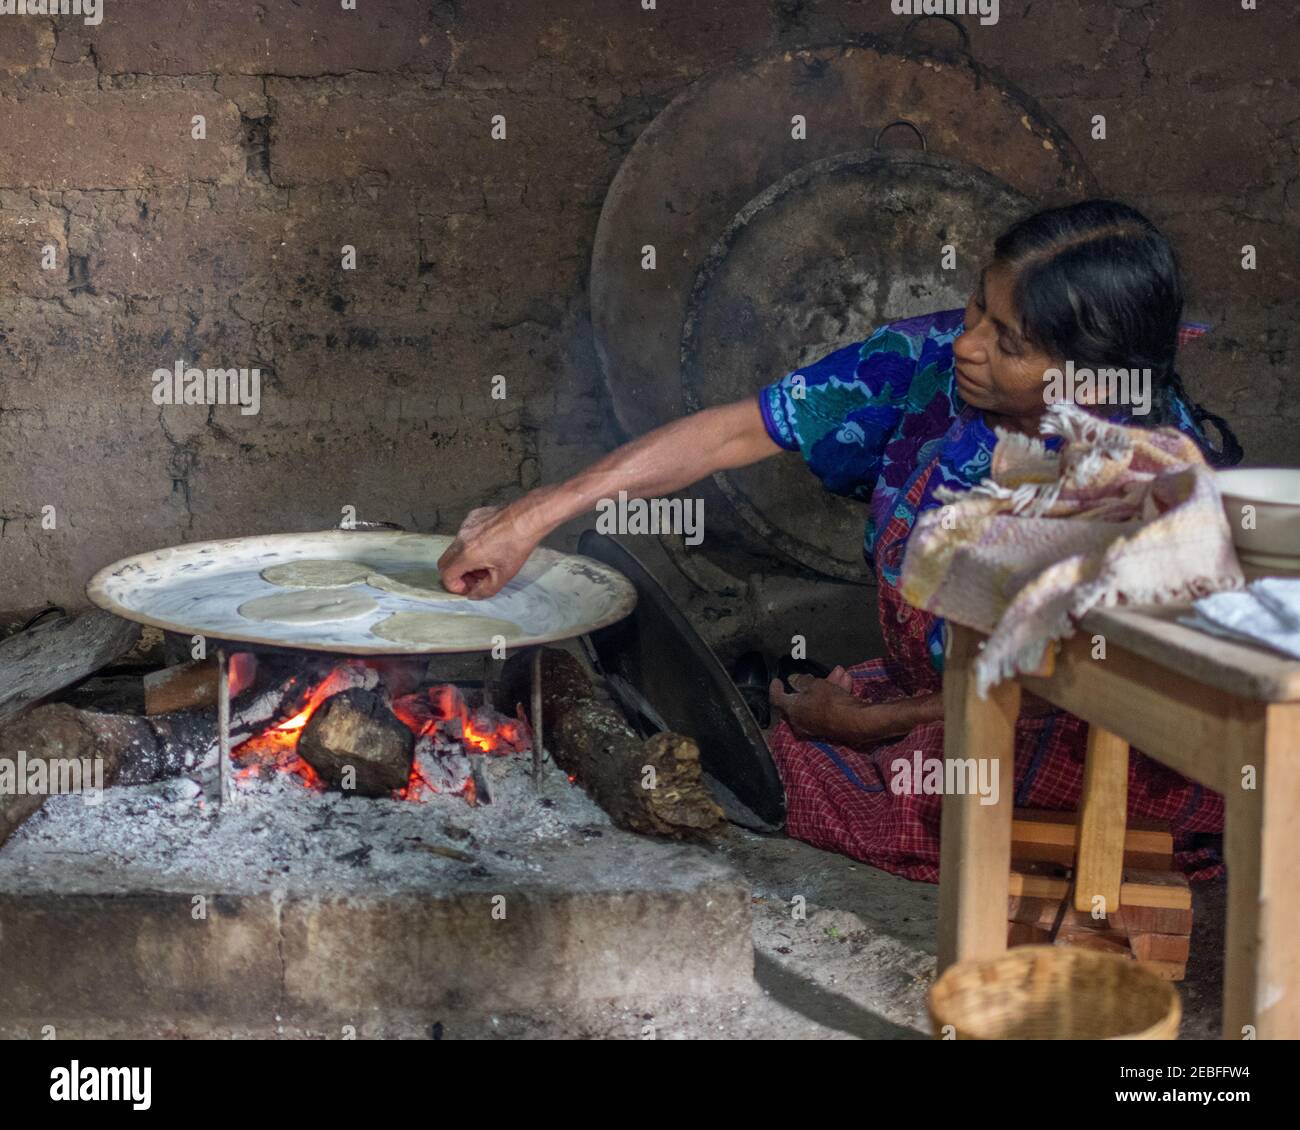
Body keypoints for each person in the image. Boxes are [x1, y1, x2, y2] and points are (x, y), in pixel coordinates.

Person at [438, 199, 1241, 880]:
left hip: (1077, 724)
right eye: (977, 310)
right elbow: (732, 434)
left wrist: (877, 725)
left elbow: (1071, 682)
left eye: (1010, 342)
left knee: (806, 780)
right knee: (779, 735)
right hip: (940, 685)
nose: (967, 343)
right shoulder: (932, 365)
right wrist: (536, 516)